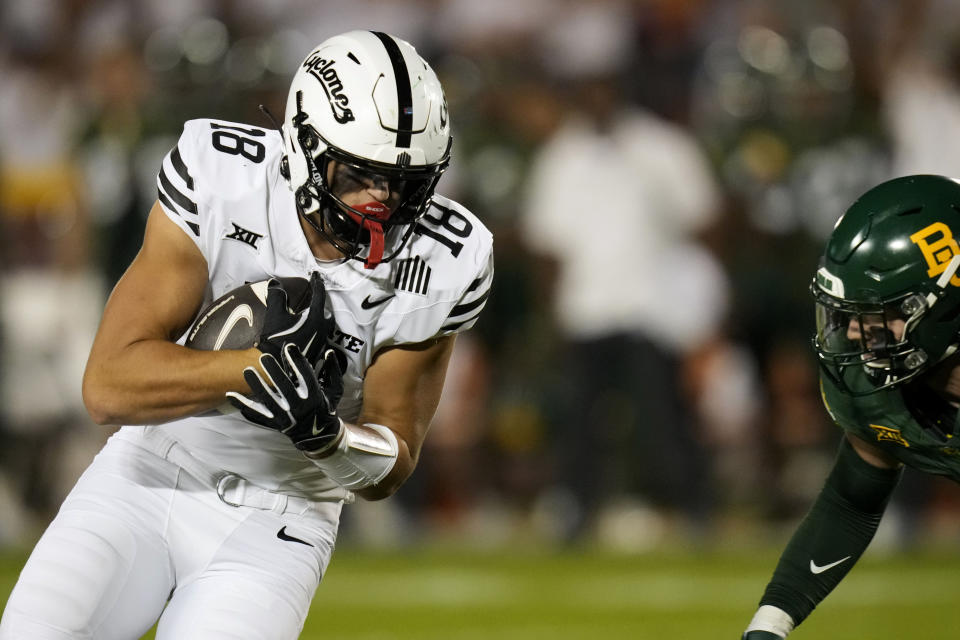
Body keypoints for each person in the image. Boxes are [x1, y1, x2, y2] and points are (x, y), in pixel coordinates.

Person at [0, 29, 493, 640]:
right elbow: (108, 386)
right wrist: (257, 371)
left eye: (408, 182)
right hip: (151, 469)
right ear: (307, 145)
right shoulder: (223, 178)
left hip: (283, 515)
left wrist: (329, 437)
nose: (383, 201)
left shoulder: (447, 256)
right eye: (359, 175)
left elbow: (394, 458)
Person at [741, 174, 960, 639]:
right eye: (849, 314)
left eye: (879, 312)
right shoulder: (876, 390)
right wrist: (770, 626)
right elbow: (850, 504)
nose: (857, 334)